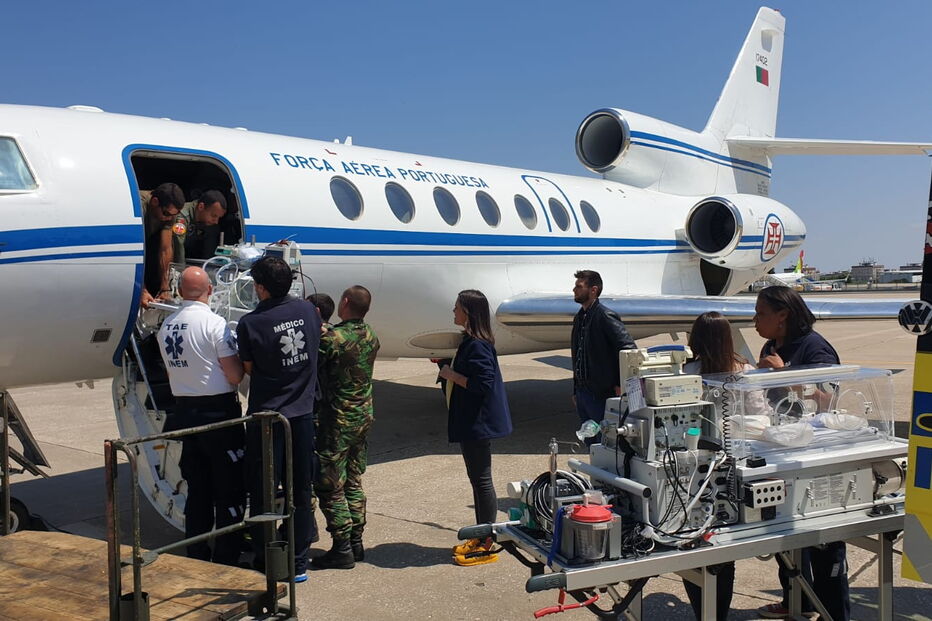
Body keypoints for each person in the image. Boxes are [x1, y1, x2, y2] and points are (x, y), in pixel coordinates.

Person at [754, 286, 848, 621]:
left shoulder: (815, 347)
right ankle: (797, 600)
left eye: (761, 314)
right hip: (782, 446)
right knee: (785, 531)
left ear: (783, 316)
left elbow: (830, 400)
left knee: (824, 541)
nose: (754, 320)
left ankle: (834, 612)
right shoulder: (772, 344)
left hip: (813, 453)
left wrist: (785, 376)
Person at [236, 256, 322, 582]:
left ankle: (267, 560)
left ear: (260, 288)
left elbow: (247, 370)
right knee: (301, 491)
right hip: (302, 416)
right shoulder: (307, 311)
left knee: (264, 493)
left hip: (267, 420)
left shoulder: (251, 324)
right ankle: (298, 564)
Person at [157, 267, 245, 565]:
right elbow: (233, 375)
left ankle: (196, 551)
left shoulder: (166, 325)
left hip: (185, 411)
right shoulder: (214, 324)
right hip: (218, 412)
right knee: (228, 488)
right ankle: (227, 556)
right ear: (209, 290)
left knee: (198, 490)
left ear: (181, 292)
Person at [679, 311, 753, 621]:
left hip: (693, 468)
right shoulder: (744, 372)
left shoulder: (685, 373)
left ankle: (703, 612)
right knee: (723, 545)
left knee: (692, 541)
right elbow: (758, 416)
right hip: (736, 465)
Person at [439, 290, 512, 567]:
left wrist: (450, 374)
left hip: (477, 423)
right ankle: (482, 534)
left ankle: (486, 540)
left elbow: (481, 383)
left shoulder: (478, 345)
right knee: (477, 479)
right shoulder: (470, 340)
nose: (453, 312)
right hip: (471, 421)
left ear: (468, 312)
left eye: (456, 307)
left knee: (482, 481)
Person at [311, 286, 380, 570]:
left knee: (330, 485)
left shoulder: (333, 337)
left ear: (346, 303)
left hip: (336, 420)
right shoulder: (371, 335)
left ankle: (341, 548)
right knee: (353, 480)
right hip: (362, 416)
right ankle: (356, 542)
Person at [570, 270, 636, 440]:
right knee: (589, 438)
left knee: (605, 440)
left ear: (593, 290)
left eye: (579, 286)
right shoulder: (580, 318)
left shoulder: (605, 316)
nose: (574, 290)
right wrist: (576, 389)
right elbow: (577, 355)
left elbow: (628, 348)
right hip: (584, 393)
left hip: (600, 393)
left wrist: (620, 382)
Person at [141, 182, 186, 308]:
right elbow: (131, 249)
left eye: (173, 216)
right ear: (155, 202)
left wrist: (165, 287)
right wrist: (141, 290)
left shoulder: (169, 214)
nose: (169, 219)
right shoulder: (139, 206)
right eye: (166, 214)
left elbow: (165, 249)